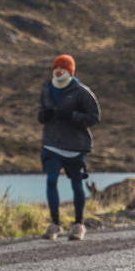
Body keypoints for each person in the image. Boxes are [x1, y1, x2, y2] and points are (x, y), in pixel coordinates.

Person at [37, 54, 101, 241]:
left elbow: (94, 116)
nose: (58, 71)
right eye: (56, 68)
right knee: (51, 181)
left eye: (62, 68)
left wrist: (72, 115)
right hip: (51, 144)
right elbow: (41, 110)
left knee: (76, 184)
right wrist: (43, 115)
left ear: (70, 71)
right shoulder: (47, 88)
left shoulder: (81, 91)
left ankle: (78, 225)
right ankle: (55, 224)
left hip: (75, 147)